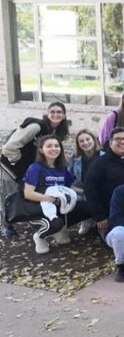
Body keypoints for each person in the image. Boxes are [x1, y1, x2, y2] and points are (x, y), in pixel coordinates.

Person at [1, 102, 69, 238]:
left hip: (27, 170)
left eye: (59, 112)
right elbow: (9, 148)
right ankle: (6, 226)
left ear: (64, 115)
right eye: (52, 112)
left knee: (23, 195)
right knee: (8, 197)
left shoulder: (56, 132)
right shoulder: (36, 126)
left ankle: (25, 220)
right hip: (10, 168)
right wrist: (17, 161)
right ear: (47, 114)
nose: (55, 115)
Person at [19, 135, 87, 254]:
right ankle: (39, 236)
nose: (54, 148)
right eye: (49, 146)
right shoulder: (35, 168)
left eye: (56, 146)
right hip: (37, 209)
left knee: (88, 207)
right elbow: (28, 193)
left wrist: (88, 192)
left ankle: (59, 229)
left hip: (58, 206)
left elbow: (70, 186)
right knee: (56, 223)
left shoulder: (61, 169)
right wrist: (53, 200)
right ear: (41, 149)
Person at [85, 127, 124, 239]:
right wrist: (100, 216)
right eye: (118, 139)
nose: (122, 142)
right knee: (120, 239)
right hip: (109, 213)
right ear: (110, 143)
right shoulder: (99, 164)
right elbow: (90, 190)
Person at [68, 130, 103, 235]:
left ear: (94, 140)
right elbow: (68, 177)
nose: (85, 143)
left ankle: (99, 220)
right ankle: (85, 219)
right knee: (70, 199)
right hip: (81, 189)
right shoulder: (75, 158)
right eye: (81, 141)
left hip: (99, 190)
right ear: (78, 144)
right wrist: (76, 189)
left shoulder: (104, 156)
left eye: (88, 139)